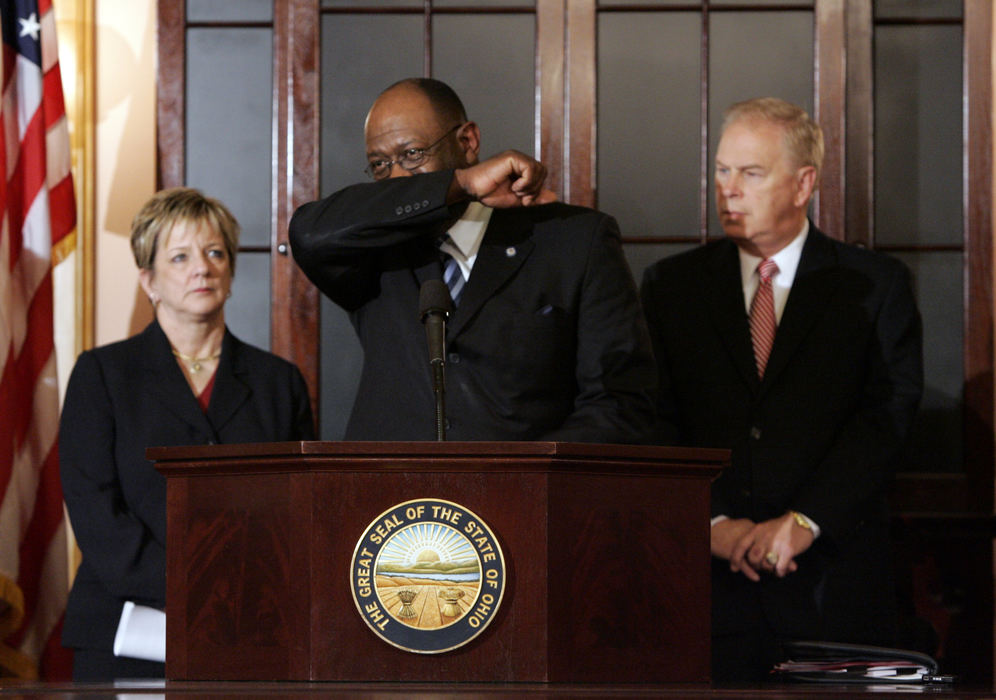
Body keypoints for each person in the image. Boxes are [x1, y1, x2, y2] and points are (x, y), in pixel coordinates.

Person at [640, 98, 923, 682]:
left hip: (832, 588)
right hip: (707, 591)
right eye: (721, 170)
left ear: (803, 184)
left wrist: (806, 520)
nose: (728, 190)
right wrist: (712, 523)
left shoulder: (876, 285)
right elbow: (653, 418)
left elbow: (886, 418)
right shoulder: (672, 285)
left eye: (750, 173)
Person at [289, 78, 655, 442]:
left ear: (467, 142)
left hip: (526, 494)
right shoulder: (371, 252)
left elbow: (618, 403)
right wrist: (460, 184)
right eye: (380, 165)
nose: (397, 178)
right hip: (392, 494)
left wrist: (524, 478)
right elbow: (309, 233)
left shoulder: (574, 242)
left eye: (413, 154)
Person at [59, 188, 315, 681]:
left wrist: (239, 593)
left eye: (215, 253)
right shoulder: (102, 375)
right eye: (180, 256)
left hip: (253, 627)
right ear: (149, 280)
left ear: (231, 271)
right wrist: (200, 587)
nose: (203, 268)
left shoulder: (278, 382)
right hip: (125, 628)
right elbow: (95, 510)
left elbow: (300, 508)